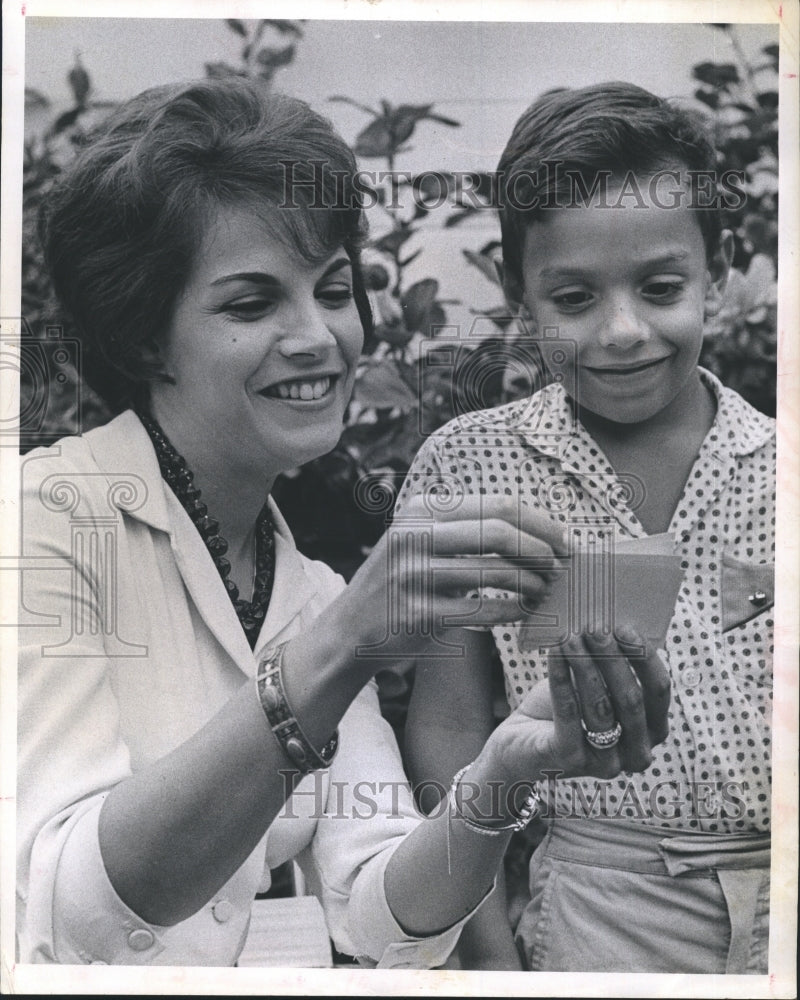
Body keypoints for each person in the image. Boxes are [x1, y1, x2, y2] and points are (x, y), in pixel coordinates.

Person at [16, 77, 671, 969]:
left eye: (333, 290)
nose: (320, 336)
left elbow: (381, 917)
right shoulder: (45, 518)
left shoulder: (309, 586)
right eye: (251, 304)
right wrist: (343, 644)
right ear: (141, 341)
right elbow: (71, 907)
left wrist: (504, 773)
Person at [400, 82, 774, 973]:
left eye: (661, 287)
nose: (622, 331)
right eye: (573, 298)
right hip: (602, 908)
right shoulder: (467, 472)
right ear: (517, 291)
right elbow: (449, 728)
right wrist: (485, 952)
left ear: (717, 268)